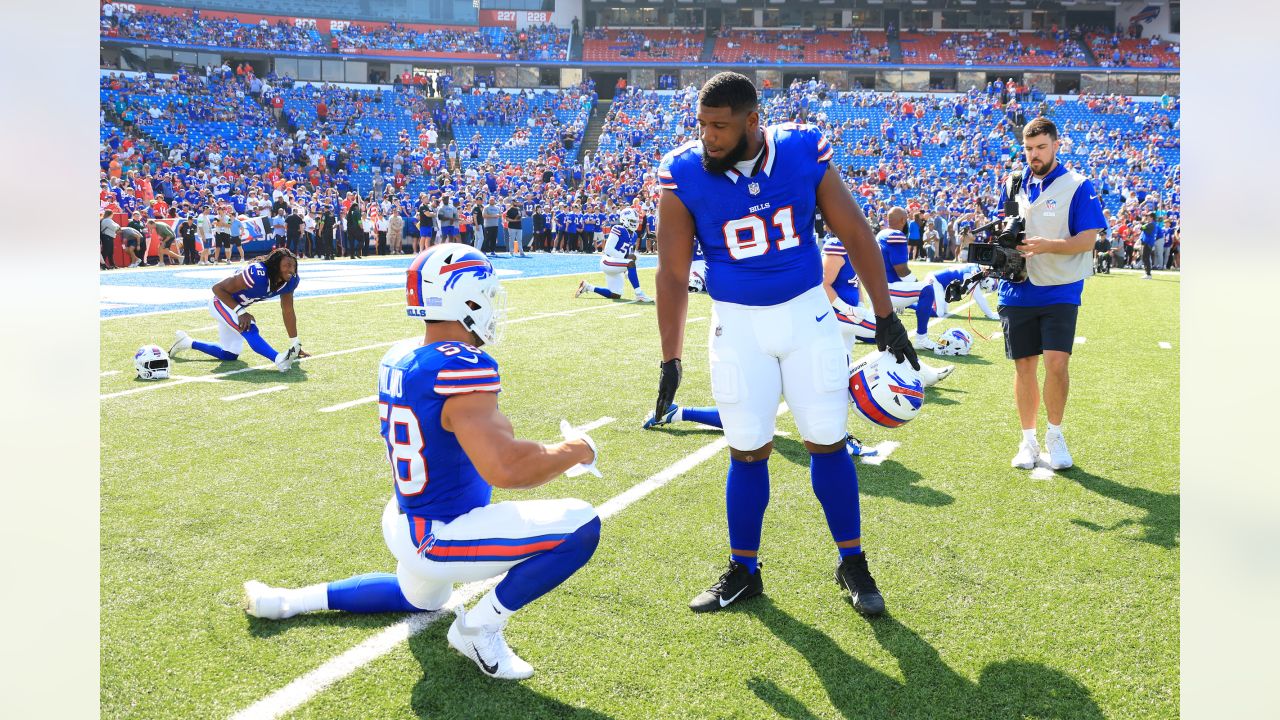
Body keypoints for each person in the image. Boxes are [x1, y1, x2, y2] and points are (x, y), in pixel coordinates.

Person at [243, 244, 602, 681]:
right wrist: (577, 451)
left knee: (421, 600)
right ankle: (478, 628)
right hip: (439, 534)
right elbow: (506, 468)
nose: (492, 305)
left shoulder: (401, 355)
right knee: (582, 525)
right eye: (486, 294)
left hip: (403, 518)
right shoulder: (462, 368)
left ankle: (284, 601)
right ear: (464, 299)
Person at [652, 73, 919, 617]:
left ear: (753, 121)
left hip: (806, 316)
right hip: (737, 325)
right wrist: (670, 357)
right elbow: (672, 273)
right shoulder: (681, 173)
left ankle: (853, 561)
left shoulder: (800, 149)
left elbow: (855, 231)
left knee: (826, 438)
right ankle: (744, 570)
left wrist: (886, 315)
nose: (708, 136)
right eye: (702, 124)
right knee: (747, 447)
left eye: (720, 125)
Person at [995, 117, 1106, 471]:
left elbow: (1088, 240)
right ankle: (1027, 441)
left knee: (1057, 364)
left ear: (1056, 145)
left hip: (1060, 288)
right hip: (1016, 288)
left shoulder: (1077, 185)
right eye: (1029, 149)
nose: (1034, 155)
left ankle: (1054, 435)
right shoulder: (1013, 182)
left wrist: (1047, 246)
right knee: (1024, 367)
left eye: (1041, 147)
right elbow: (1004, 226)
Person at [819, 236, 954, 385]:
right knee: (892, 333)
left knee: (844, 357)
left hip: (850, 312)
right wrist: (846, 309)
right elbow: (823, 285)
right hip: (834, 312)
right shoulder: (838, 247)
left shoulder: (858, 250)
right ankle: (924, 374)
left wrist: (860, 305)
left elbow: (856, 284)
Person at [168, 247, 308, 373]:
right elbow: (217, 289)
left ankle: (186, 342)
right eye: (286, 266)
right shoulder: (257, 274)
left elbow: (288, 310)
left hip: (235, 307)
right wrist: (241, 312)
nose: (291, 270)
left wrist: (295, 344)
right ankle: (279, 360)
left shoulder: (290, 282)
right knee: (249, 328)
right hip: (221, 302)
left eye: (293, 266)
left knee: (229, 354)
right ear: (276, 266)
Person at [574, 208, 653, 303]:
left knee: (615, 294)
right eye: (632, 221)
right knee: (631, 262)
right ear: (624, 220)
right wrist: (626, 261)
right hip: (608, 261)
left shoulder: (634, 235)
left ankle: (588, 287)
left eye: (636, 221)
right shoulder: (618, 229)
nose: (635, 223)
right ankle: (639, 294)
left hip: (616, 264)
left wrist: (627, 268)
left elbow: (628, 254)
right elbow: (608, 249)